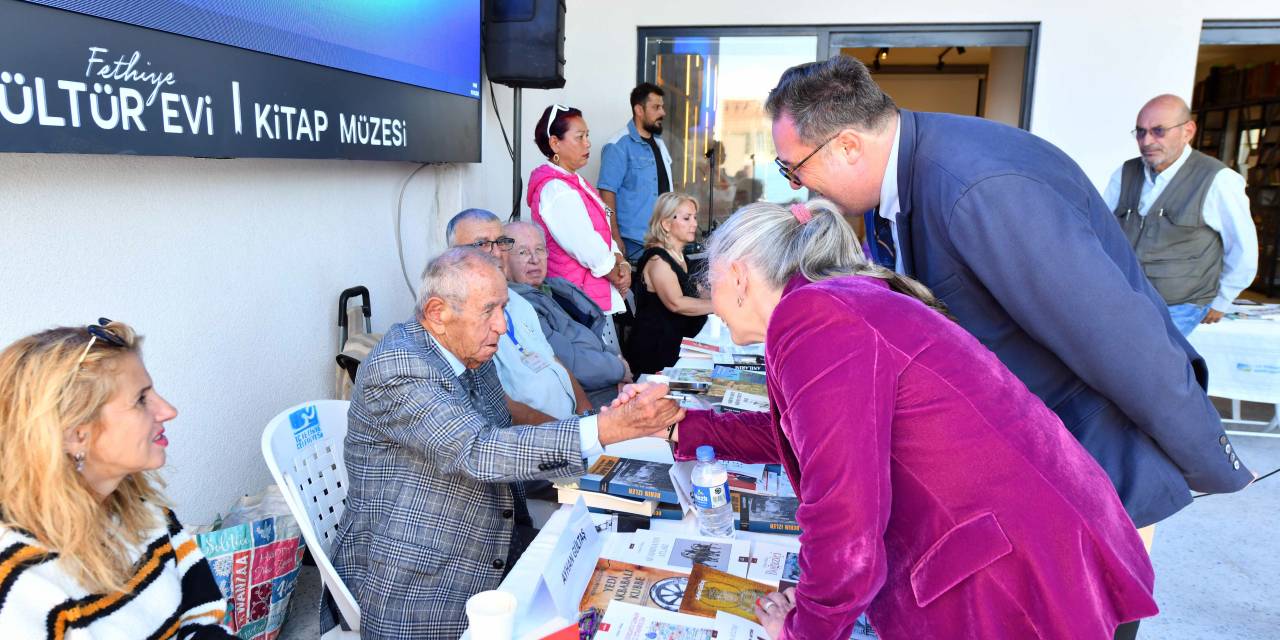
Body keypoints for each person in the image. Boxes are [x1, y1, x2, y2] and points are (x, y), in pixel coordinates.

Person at [765, 56, 1253, 537]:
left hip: (1091, 464)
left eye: (794, 169)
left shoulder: (981, 190)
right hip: (1030, 460)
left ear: (848, 145)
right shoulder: (896, 179)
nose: (798, 185)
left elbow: (1118, 340)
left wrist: (1207, 459)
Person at [638, 199, 1159, 639]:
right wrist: (684, 426)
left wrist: (807, 628)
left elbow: (845, 515)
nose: (712, 301)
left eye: (711, 280)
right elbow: (815, 438)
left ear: (740, 276)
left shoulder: (813, 319)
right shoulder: (827, 303)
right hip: (1036, 540)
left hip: (1009, 570)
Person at [330, 248, 682, 639]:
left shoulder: (468, 351)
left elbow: (504, 455)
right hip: (419, 584)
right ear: (437, 312)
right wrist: (604, 428)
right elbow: (480, 451)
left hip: (493, 548)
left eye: (504, 308)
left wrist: (529, 542)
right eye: (489, 310)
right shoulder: (400, 366)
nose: (501, 325)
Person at [0, 320, 234, 638]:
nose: (168, 410)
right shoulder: (22, 580)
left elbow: (201, 616)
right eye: (140, 400)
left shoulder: (146, 512)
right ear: (74, 435)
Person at [1102, 94, 1258, 336]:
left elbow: (1244, 249)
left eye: (1159, 131)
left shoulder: (1218, 180)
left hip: (1182, 306)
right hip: (1127, 300)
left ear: (1188, 131)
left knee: (1147, 368)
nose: (1147, 141)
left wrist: (1222, 301)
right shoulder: (1125, 172)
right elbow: (1101, 231)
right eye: (1141, 132)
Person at [448, 208, 588, 421]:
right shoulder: (457, 317)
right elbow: (496, 404)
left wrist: (588, 415)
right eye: (482, 244)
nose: (496, 253)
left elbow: (552, 360)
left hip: (572, 428)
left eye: (501, 242)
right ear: (453, 255)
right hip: (531, 442)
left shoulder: (519, 301)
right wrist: (572, 435)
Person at [504, 221, 631, 408]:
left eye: (539, 249)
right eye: (523, 252)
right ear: (504, 260)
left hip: (609, 381)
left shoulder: (558, 289)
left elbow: (593, 336)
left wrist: (617, 364)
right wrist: (619, 369)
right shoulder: (520, 305)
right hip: (584, 398)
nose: (534, 259)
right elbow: (570, 364)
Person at [527, 104, 631, 317]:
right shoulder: (555, 189)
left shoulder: (573, 180)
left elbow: (602, 231)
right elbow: (586, 245)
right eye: (580, 137)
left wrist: (622, 263)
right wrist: (617, 274)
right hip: (575, 297)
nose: (588, 143)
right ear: (555, 143)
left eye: (587, 136)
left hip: (585, 293)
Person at [625, 192, 712, 374]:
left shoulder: (680, 257)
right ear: (666, 224)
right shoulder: (658, 260)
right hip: (655, 352)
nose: (694, 224)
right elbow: (676, 303)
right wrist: (719, 305)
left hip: (675, 343)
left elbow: (697, 291)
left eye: (694, 218)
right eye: (687, 218)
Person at [598, 82, 674, 260]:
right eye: (656, 107)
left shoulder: (660, 144)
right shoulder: (617, 145)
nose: (662, 113)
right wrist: (614, 237)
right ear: (639, 110)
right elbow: (606, 194)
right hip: (633, 244)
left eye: (662, 107)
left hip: (663, 239)